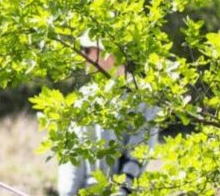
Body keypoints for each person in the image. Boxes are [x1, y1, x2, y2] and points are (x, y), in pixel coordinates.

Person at [56, 35, 159, 196]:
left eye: (88, 50)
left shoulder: (144, 97)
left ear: (107, 52)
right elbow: (72, 159)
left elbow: (139, 153)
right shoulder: (84, 98)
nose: (83, 55)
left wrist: (121, 191)